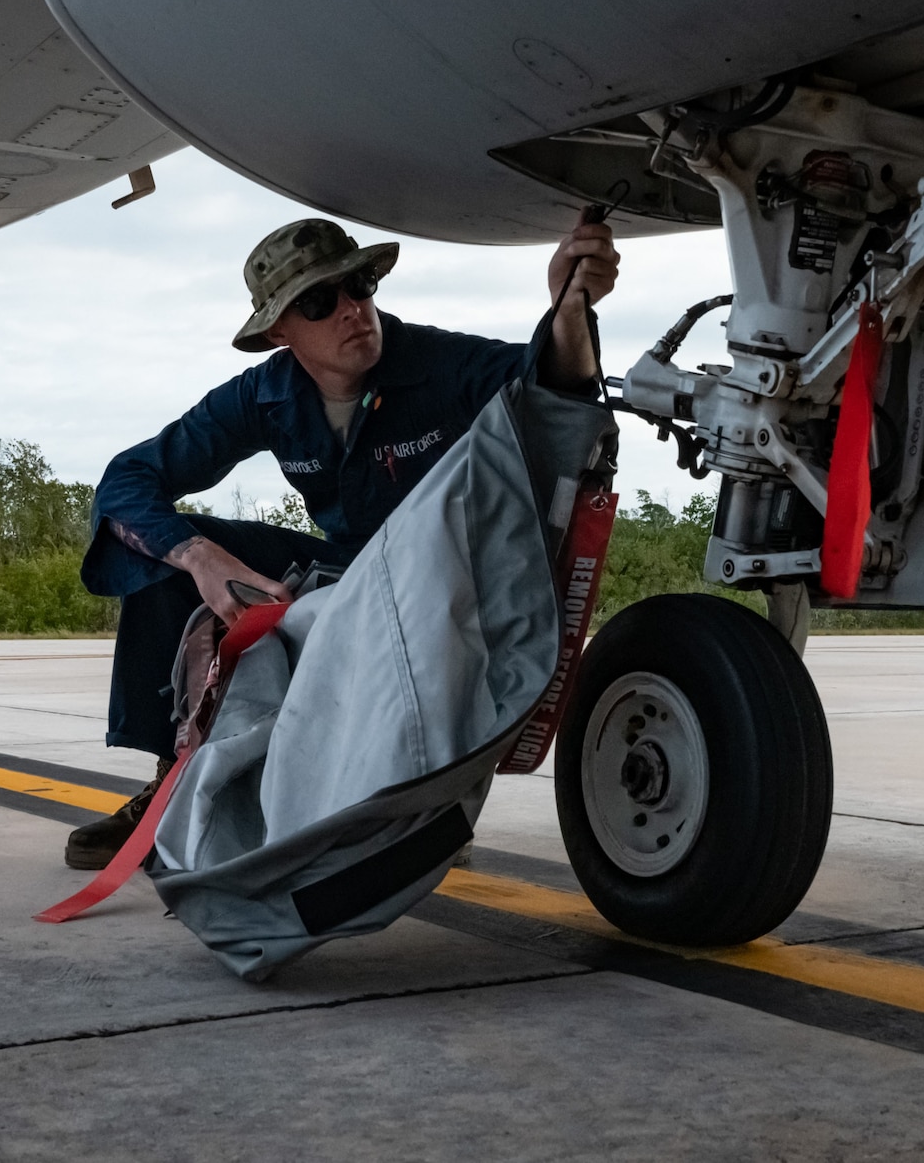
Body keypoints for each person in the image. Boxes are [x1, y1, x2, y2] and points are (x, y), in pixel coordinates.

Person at [66, 214, 619, 868]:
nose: (353, 310)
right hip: (349, 576)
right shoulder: (265, 396)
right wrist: (201, 559)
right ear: (279, 331)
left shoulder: (434, 363)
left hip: (443, 587)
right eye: (320, 302)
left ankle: (416, 798)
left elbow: (552, 387)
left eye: (359, 285)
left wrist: (571, 308)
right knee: (158, 549)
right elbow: (127, 479)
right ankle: (173, 785)